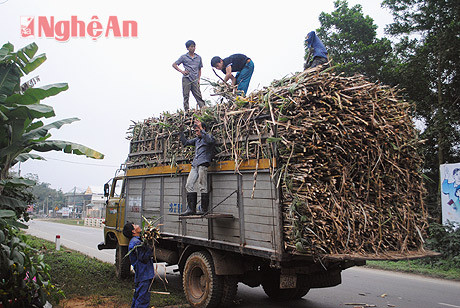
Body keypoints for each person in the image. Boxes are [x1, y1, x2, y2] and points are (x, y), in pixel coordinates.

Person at [180, 119, 216, 216]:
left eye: (197, 130)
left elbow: (210, 141)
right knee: (189, 185)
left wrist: (201, 128)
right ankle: (191, 209)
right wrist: (181, 132)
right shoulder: (197, 140)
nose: (196, 133)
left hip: (203, 164)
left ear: (203, 128)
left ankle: (204, 209)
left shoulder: (208, 137)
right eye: (195, 131)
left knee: (202, 186)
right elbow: (186, 143)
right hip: (195, 165)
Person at [122, 222, 155, 308]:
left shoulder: (136, 241)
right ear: (133, 231)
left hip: (141, 274)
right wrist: (150, 247)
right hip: (144, 273)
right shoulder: (136, 243)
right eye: (135, 225)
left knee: (138, 296)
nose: (138, 225)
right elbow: (143, 258)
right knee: (143, 299)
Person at [172, 40, 205, 111]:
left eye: (194, 46)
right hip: (187, 78)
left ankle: (203, 109)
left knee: (198, 95)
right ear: (187, 48)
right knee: (186, 95)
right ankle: (187, 110)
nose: (193, 48)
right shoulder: (184, 57)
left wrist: (199, 79)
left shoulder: (198, 57)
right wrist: (182, 71)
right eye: (191, 47)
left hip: (195, 79)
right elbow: (174, 64)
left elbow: (199, 69)